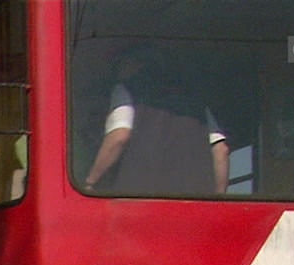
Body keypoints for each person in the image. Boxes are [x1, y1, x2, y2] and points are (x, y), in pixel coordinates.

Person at [82, 45, 229, 195]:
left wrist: (90, 182)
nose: (117, 72)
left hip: (140, 201)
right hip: (196, 205)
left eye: (118, 65)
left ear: (133, 63)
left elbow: (119, 136)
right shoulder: (196, 101)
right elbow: (221, 150)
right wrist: (218, 195)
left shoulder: (127, 89)